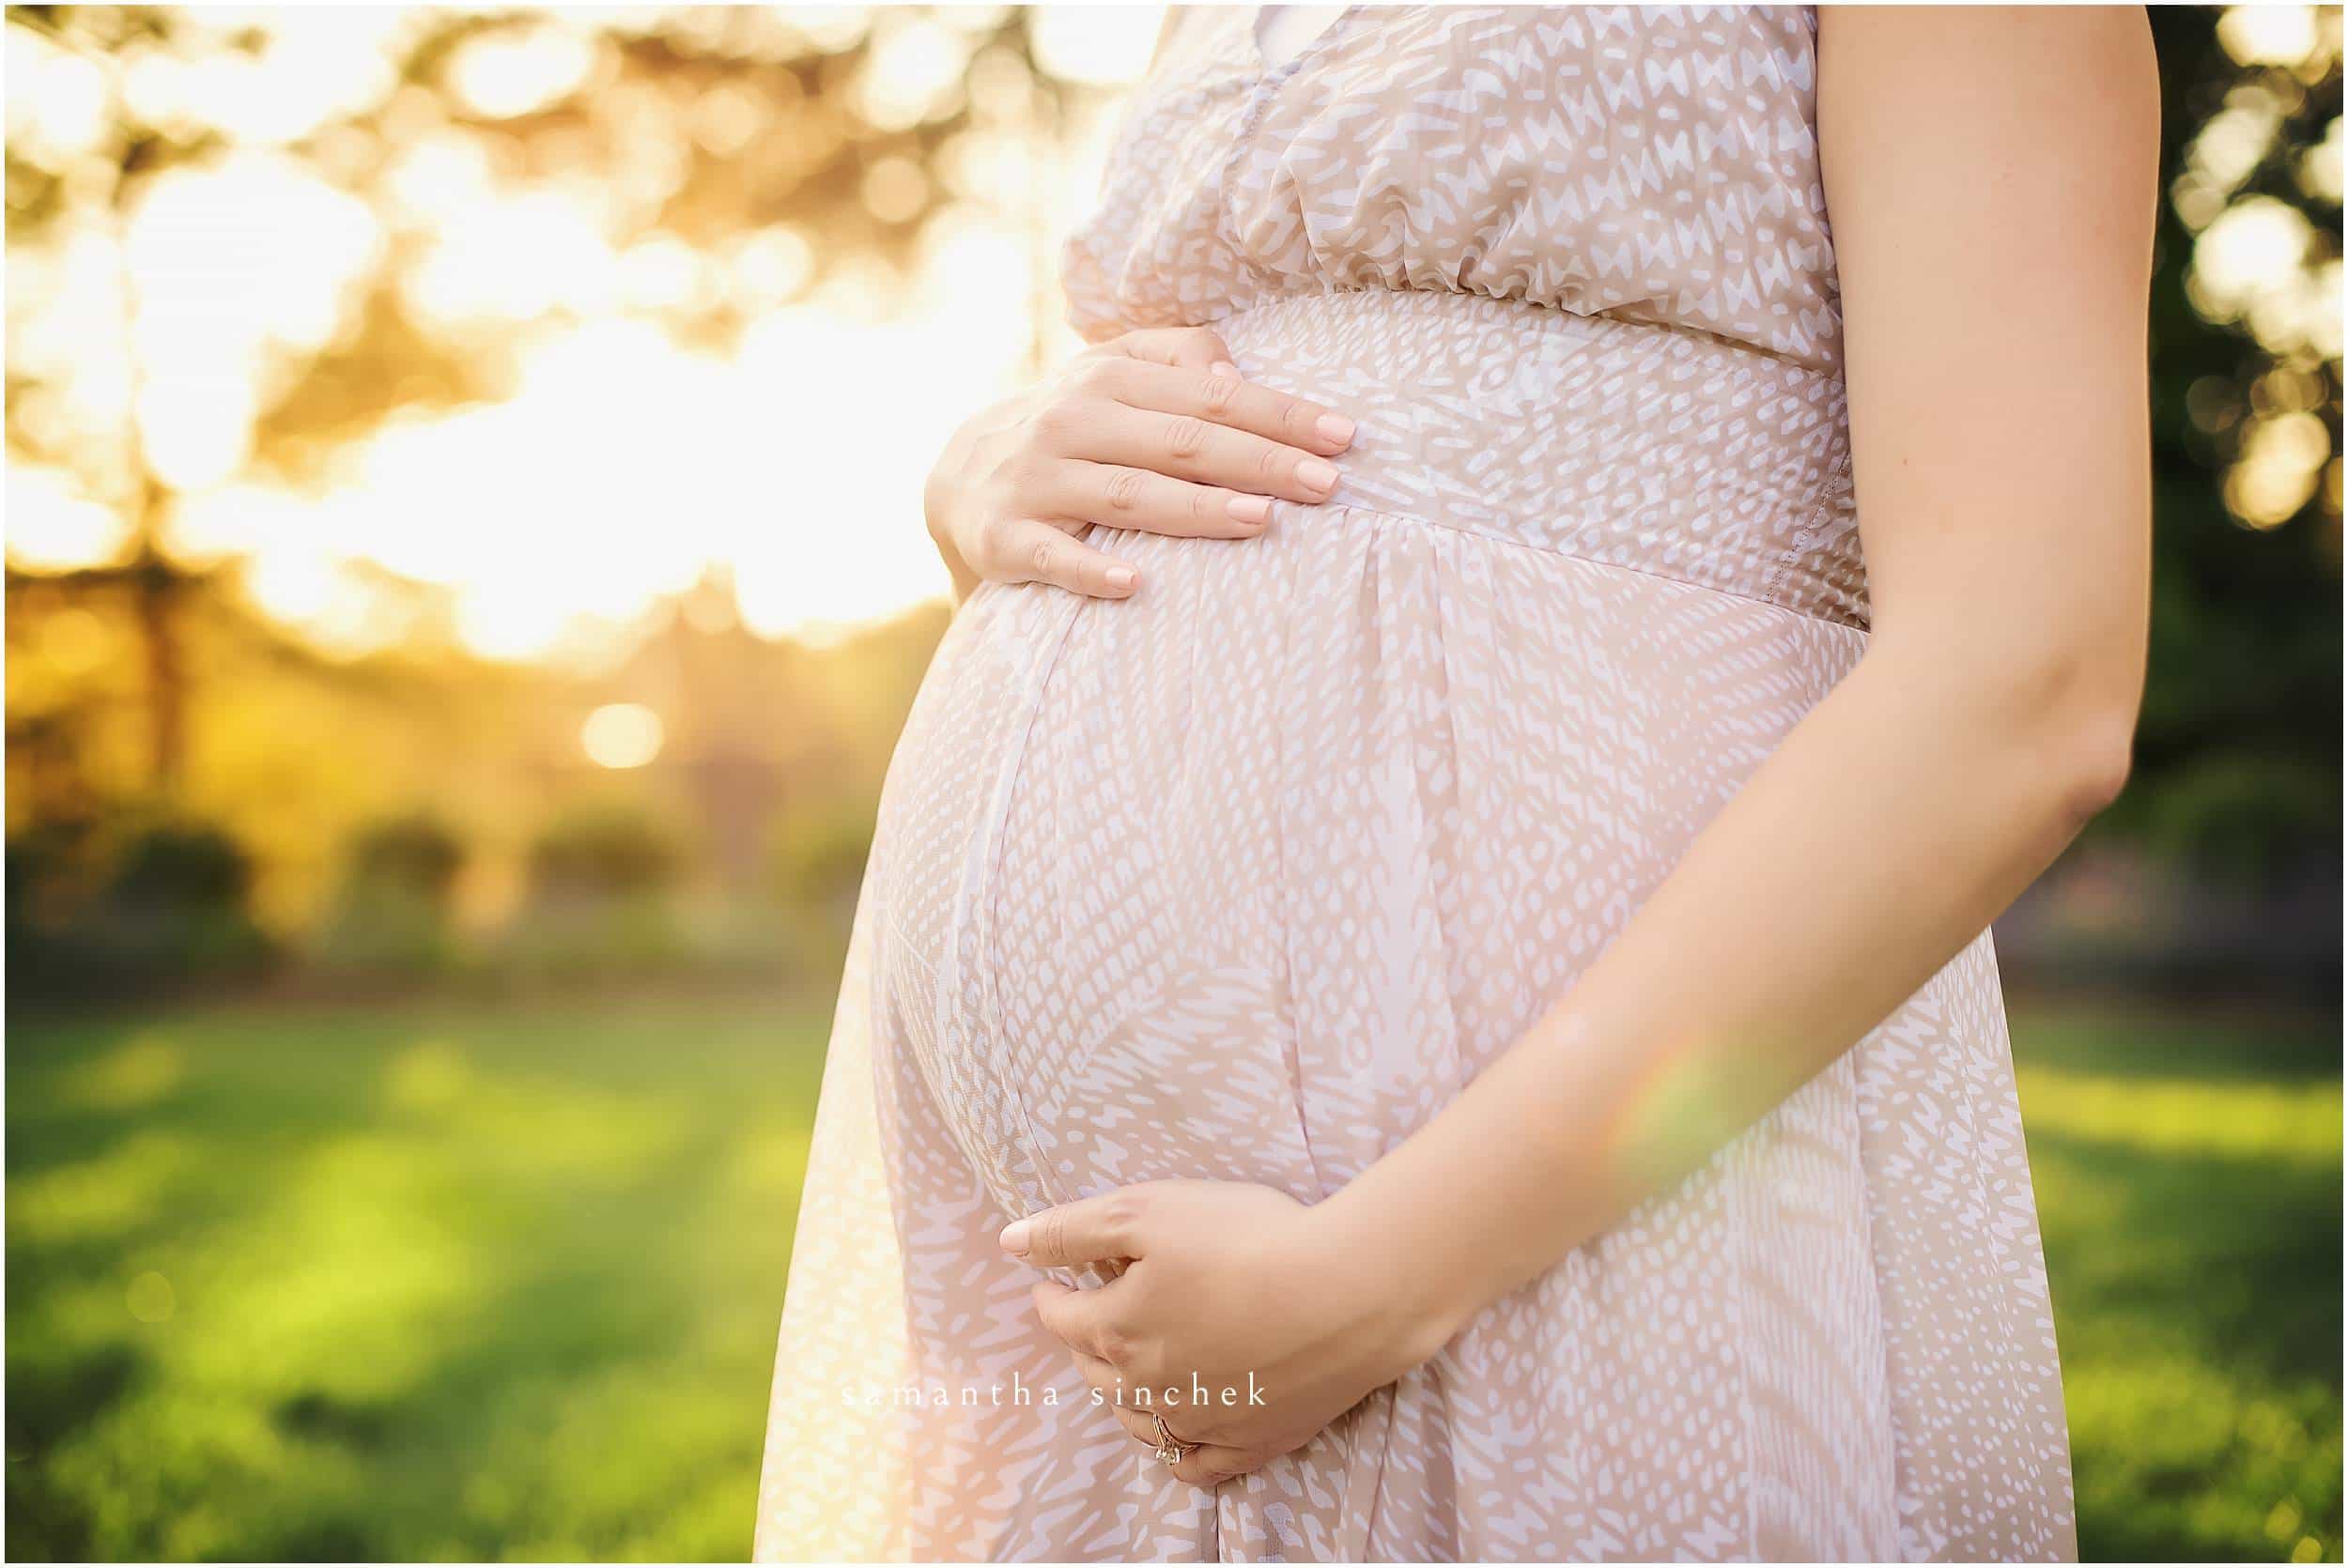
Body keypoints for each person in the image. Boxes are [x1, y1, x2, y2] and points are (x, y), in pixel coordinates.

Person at [753, 6, 2158, 1560]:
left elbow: (2025, 682)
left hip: (1548, 1227)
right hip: (1069, 1335)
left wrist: (1374, 1279)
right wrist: (982, 464)